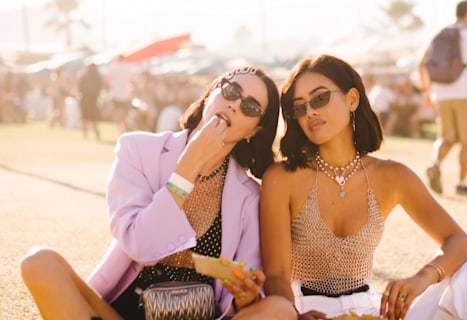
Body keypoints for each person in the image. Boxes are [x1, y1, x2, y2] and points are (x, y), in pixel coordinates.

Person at [258, 54, 467, 319]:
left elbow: (459, 242)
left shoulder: (391, 175)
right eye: (300, 106)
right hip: (307, 310)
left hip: (373, 310)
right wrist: (294, 315)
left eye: (320, 98)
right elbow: (277, 276)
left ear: (352, 99)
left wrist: (422, 278)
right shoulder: (282, 178)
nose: (311, 111)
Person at [20, 66, 295, 319]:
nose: (235, 104)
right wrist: (189, 166)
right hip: (124, 312)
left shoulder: (250, 195)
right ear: (211, 93)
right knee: (40, 262)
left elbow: (235, 299)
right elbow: (140, 244)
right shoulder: (137, 150)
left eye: (250, 106)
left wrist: (243, 299)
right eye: (231, 91)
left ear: (255, 130)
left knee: (279, 310)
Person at [419, 0, 467, 196]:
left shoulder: (439, 34)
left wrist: (426, 91)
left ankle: (435, 164)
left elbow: (422, 64)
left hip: (442, 94)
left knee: (445, 138)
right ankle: (461, 183)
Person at [106, 55, 135, 135]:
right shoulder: (128, 68)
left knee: (117, 112)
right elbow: (132, 80)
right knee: (125, 112)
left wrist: (114, 86)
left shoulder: (113, 68)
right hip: (126, 94)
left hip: (116, 94)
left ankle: (120, 128)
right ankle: (123, 126)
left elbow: (108, 80)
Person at [77, 62, 105, 140]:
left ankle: (85, 134)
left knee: (85, 117)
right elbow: (100, 88)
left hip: (84, 99)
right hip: (94, 99)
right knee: (94, 117)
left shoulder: (84, 76)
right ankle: (95, 130)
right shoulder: (98, 77)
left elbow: (80, 88)